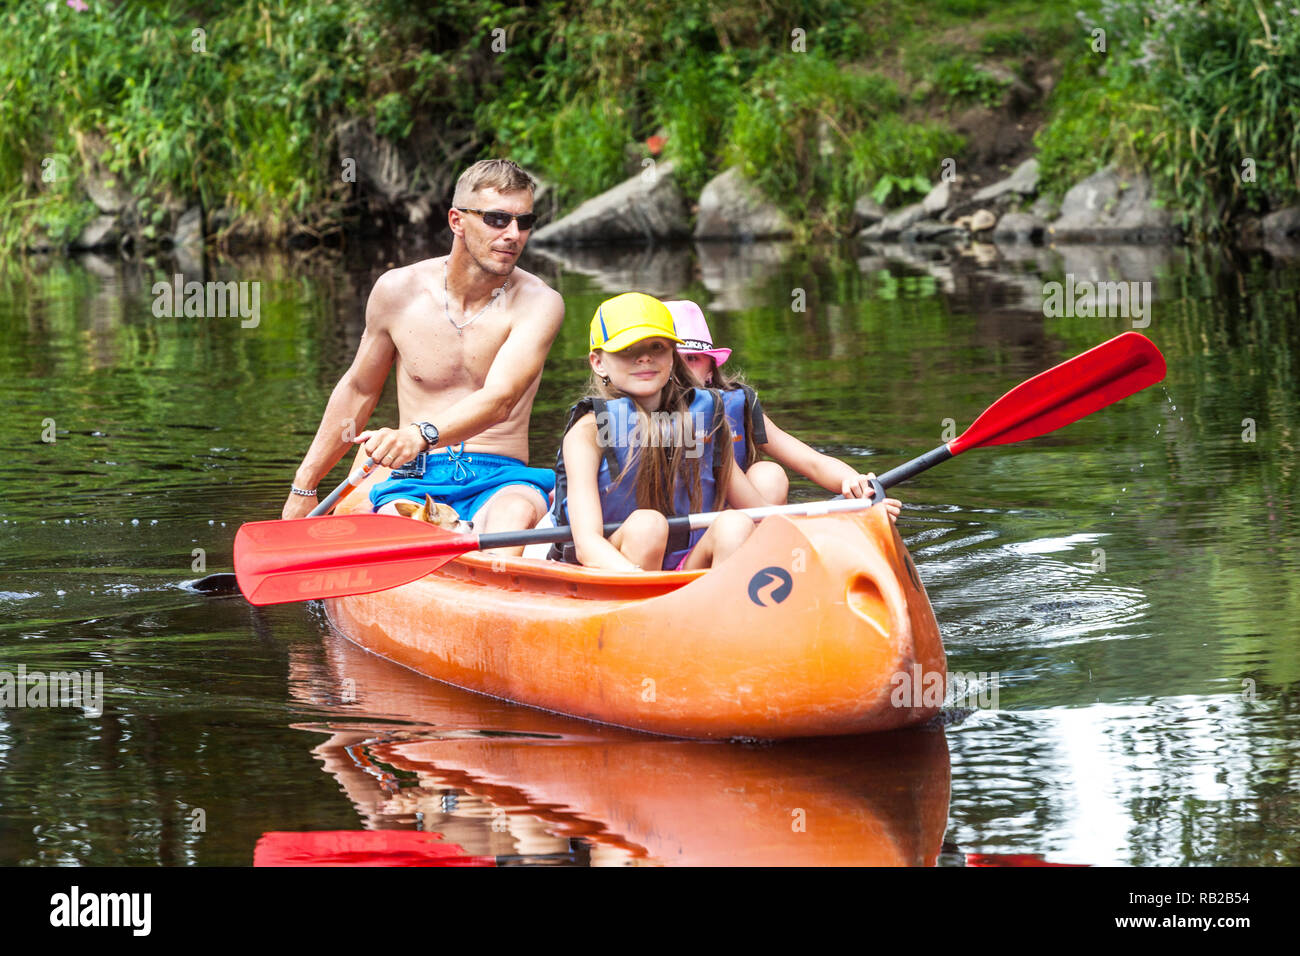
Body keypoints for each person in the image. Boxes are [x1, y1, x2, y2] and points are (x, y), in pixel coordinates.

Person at [282, 159, 564, 553]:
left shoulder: (540, 303)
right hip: (412, 477)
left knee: (513, 518)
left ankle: (503, 593)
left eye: (524, 221)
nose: (514, 234)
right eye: (498, 220)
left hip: (500, 477)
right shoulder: (397, 291)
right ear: (456, 221)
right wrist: (305, 485)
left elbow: (500, 401)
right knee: (401, 527)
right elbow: (360, 389)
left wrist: (420, 434)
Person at [548, 293, 767, 572]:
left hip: (687, 570)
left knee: (736, 523)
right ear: (598, 362)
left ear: (673, 356)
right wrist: (642, 581)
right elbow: (587, 544)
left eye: (657, 347)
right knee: (647, 526)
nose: (645, 358)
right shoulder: (588, 431)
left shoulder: (706, 417)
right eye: (628, 349)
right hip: (613, 570)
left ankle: (719, 606)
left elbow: (760, 513)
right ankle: (648, 606)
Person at [664, 299, 902, 520]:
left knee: (769, 474)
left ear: (710, 371)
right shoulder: (634, 415)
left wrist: (856, 484)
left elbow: (812, 462)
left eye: (692, 359)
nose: (681, 371)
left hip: (737, 523)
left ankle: (762, 551)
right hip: (669, 529)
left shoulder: (738, 406)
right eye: (673, 359)